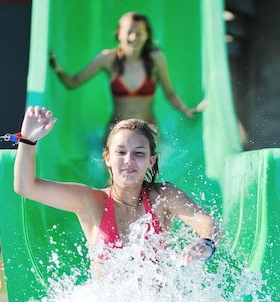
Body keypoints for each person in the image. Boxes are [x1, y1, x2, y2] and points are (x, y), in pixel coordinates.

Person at [13, 106, 222, 276]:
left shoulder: (163, 197)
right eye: (120, 152)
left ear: (151, 161)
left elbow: (208, 223)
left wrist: (205, 243)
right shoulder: (90, 201)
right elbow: (26, 187)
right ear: (107, 158)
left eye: (138, 153)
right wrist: (28, 140)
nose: (129, 160)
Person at [49, 12, 204, 133]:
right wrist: (57, 68)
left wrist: (186, 110)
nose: (133, 37)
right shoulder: (107, 59)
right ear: (119, 34)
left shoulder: (156, 58)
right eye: (129, 32)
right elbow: (73, 82)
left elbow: (170, 94)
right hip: (117, 128)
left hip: (148, 128)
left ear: (147, 35)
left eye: (139, 32)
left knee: (151, 170)